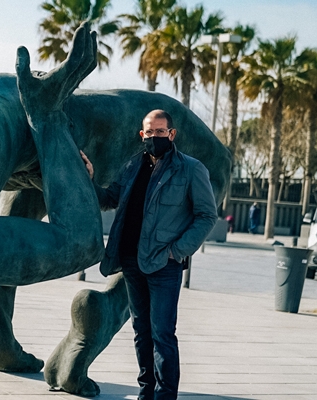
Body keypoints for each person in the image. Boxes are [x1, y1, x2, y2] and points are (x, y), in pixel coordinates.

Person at [82, 110, 217, 400]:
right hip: (131, 262)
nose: (154, 137)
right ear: (142, 135)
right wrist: (89, 179)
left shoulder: (191, 169)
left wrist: (176, 251)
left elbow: (207, 215)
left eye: (160, 132)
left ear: (172, 134)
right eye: (149, 132)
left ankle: (166, 396)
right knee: (141, 332)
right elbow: (109, 199)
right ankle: (147, 392)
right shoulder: (133, 166)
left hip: (164, 264)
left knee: (163, 335)